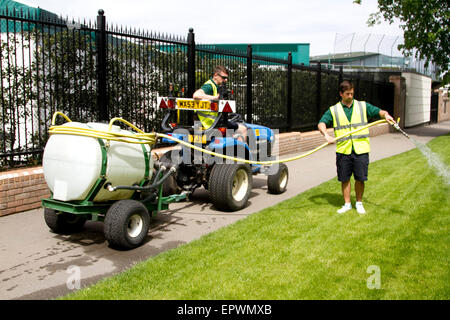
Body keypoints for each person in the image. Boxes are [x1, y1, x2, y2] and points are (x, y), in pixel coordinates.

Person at [318, 80, 395, 215]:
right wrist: (326, 135)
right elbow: (321, 123)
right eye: (347, 94)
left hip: (361, 149)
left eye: (352, 93)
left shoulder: (362, 106)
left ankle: (359, 203)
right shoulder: (333, 110)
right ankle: (347, 204)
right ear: (341, 94)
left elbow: (379, 111)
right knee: (344, 178)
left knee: (360, 178)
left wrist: (386, 115)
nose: (350, 96)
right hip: (343, 150)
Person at [193, 65, 247, 141]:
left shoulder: (216, 86)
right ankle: (241, 152)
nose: (226, 80)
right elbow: (196, 95)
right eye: (223, 77)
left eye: (226, 78)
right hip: (211, 123)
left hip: (212, 121)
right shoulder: (209, 86)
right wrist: (214, 98)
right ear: (215, 75)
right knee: (243, 129)